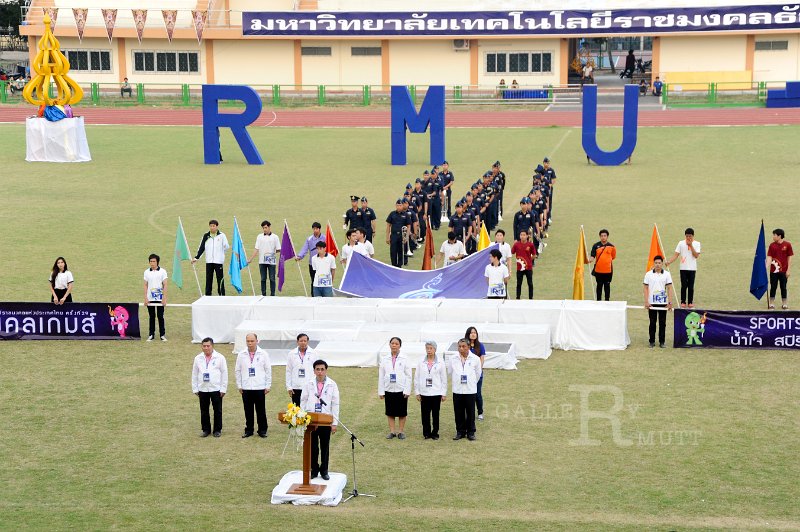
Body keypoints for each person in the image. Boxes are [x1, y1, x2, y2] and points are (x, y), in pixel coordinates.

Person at [299, 359, 339, 480]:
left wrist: (334, 423)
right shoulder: (308, 384)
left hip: (326, 420)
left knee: (325, 446)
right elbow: (303, 400)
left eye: (322, 369)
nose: (320, 372)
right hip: (311, 420)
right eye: (318, 369)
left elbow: (335, 404)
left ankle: (324, 470)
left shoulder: (332, 384)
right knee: (313, 446)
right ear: (314, 371)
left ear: (326, 370)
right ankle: (314, 469)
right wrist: (303, 417)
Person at [235, 333, 271, 438]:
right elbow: (237, 370)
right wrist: (239, 385)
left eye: (252, 341)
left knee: (261, 410)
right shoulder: (241, 354)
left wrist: (267, 385)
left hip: (259, 387)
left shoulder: (263, 354)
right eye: (248, 341)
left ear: (257, 341)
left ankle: (262, 430)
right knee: (248, 410)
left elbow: (268, 370)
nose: (250, 343)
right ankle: (249, 430)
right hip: (246, 387)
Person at [191, 337, 228, 437]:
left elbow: (224, 374)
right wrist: (195, 388)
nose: (206, 348)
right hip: (202, 388)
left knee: (217, 410)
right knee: (204, 410)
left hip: (216, 388)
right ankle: (206, 430)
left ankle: (217, 430)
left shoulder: (220, 357)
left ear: (212, 346)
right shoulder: (198, 358)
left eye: (208, 346)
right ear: (201, 347)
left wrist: (223, 388)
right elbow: (194, 374)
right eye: (204, 346)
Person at [378, 337, 412, 440]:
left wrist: (407, 390)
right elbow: (381, 375)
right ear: (389, 345)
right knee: (390, 411)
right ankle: (392, 431)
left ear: (400, 346)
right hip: (389, 389)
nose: (394, 345)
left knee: (402, 412)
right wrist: (381, 391)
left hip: (401, 389)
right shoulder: (385, 359)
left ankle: (401, 431)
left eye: (396, 344)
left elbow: (409, 375)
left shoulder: (405, 358)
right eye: (392, 343)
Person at [449, 338, 482, 441]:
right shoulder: (453, 358)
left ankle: (471, 432)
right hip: (457, 389)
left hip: (470, 390)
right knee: (458, 412)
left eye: (463, 346)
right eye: (459, 346)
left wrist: (471, 382)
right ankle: (460, 432)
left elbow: (478, 374)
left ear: (468, 347)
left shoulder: (475, 359)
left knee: (470, 412)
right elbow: (450, 372)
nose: (461, 348)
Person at [414, 340, 447, 440]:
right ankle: (426, 432)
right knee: (425, 414)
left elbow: (444, 379)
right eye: (427, 348)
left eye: (431, 348)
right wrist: (417, 392)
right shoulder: (421, 362)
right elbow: (416, 377)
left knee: (435, 414)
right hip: (424, 392)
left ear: (435, 349)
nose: (429, 350)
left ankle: (435, 432)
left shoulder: (441, 362)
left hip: (436, 392)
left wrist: (443, 393)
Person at [192, 220, 229, 296]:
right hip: (209, 261)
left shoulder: (222, 235)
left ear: (217, 226)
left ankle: (222, 295)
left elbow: (226, 246)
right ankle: (208, 295)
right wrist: (196, 258)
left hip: (218, 262)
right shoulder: (206, 236)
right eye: (211, 226)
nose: (212, 227)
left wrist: (222, 252)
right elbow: (202, 247)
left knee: (220, 279)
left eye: (213, 226)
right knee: (208, 279)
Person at [666, 228, 701, 309]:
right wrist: (669, 262)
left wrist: (690, 245)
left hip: (692, 268)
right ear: (685, 236)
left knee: (691, 286)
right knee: (684, 285)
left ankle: (690, 302)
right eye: (687, 236)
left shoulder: (697, 244)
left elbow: (696, 255)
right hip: (683, 268)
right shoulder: (681, 243)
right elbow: (676, 255)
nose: (688, 238)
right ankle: (683, 301)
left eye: (690, 236)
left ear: (693, 236)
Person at [643, 255, 674, 348]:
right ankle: (651, 341)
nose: (657, 265)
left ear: (662, 263)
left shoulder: (667, 274)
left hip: (663, 303)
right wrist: (646, 301)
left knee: (662, 323)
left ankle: (662, 342)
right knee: (652, 322)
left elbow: (669, 288)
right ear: (654, 263)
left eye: (659, 263)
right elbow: (645, 288)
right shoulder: (648, 274)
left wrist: (670, 302)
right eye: (656, 263)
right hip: (652, 302)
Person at [248, 220, 281, 297]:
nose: (264, 229)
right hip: (262, 261)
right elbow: (256, 249)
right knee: (263, 279)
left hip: (271, 261)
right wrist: (250, 259)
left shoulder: (275, 237)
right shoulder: (259, 237)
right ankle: (263, 295)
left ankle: (272, 295)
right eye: (263, 228)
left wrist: (271, 253)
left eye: (266, 227)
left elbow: (279, 249)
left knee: (272, 279)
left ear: (269, 227)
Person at [286, 333, 316, 406]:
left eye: (305, 341)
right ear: (297, 342)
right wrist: (289, 387)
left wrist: (315, 385)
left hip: (309, 386)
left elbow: (316, 370)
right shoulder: (291, 354)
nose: (303, 343)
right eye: (301, 341)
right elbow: (288, 371)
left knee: (308, 409)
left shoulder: (313, 353)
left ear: (307, 342)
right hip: (296, 386)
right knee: (296, 409)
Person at [295, 222, 326, 293]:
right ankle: (313, 296)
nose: (315, 230)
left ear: (319, 229)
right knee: (314, 280)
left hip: (323, 263)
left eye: (316, 229)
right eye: (314, 229)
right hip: (312, 264)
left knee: (322, 279)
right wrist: (299, 256)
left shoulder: (325, 238)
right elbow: (304, 249)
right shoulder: (309, 239)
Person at [143, 253, 168, 341]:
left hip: (160, 298)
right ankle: (151, 334)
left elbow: (165, 284)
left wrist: (164, 298)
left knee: (160, 316)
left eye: (154, 261)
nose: (152, 263)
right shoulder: (146, 272)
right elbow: (145, 285)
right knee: (151, 316)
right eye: (151, 261)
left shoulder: (163, 271)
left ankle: (162, 335)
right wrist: (145, 297)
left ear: (157, 262)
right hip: (150, 298)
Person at [767, 228, 793, 310]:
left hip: (784, 271)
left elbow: (790, 257)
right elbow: (769, 257)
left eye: (774, 235)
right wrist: (766, 267)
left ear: (779, 236)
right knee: (773, 287)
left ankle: (784, 304)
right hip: (773, 271)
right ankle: (771, 303)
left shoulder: (787, 245)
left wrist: (788, 270)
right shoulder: (771, 245)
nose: (773, 237)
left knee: (783, 287)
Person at [465, 327, 486, 421]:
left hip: (478, 374)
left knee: (477, 394)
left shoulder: (480, 345)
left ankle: (480, 412)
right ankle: (469, 413)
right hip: (467, 374)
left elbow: (482, 359)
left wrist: (478, 371)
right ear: (468, 334)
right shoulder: (465, 345)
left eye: (475, 332)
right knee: (468, 394)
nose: (473, 334)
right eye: (471, 332)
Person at [589, 229, 617, 301]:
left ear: (607, 236)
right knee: (599, 286)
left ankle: (607, 301)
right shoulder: (595, 246)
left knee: (607, 286)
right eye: (602, 236)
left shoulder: (612, 247)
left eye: (605, 236)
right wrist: (588, 260)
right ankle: (598, 301)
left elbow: (613, 257)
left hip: (608, 271)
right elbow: (592, 256)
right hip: (598, 270)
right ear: (599, 236)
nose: (603, 237)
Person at [511, 229, 536, 299]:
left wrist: (529, 260)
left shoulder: (530, 245)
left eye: (524, 235)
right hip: (519, 268)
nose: (522, 236)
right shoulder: (516, 244)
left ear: (527, 236)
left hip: (528, 267)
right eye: (521, 235)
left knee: (530, 283)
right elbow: (512, 252)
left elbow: (534, 255)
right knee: (519, 284)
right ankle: (517, 297)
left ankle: (531, 298)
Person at [386, 199, 410, 268]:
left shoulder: (406, 215)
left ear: (403, 206)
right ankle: (393, 266)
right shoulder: (392, 214)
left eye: (400, 205)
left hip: (402, 236)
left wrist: (407, 237)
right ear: (395, 206)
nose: (399, 207)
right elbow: (388, 226)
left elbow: (408, 226)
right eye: (397, 205)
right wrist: (387, 237)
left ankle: (399, 266)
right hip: (393, 236)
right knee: (393, 252)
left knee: (400, 251)